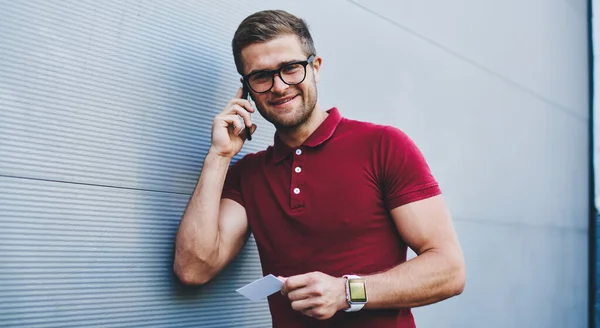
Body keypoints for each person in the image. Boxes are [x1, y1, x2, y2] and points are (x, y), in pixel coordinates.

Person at [174, 9, 465, 328]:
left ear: (316, 68)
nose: (279, 86)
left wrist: (346, 292)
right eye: (261, 76)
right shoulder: (248, 174)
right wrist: (219, 155)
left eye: (290, 68)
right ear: (245, 90)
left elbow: (449, 270)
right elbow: (193, 269)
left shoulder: (383, 145)